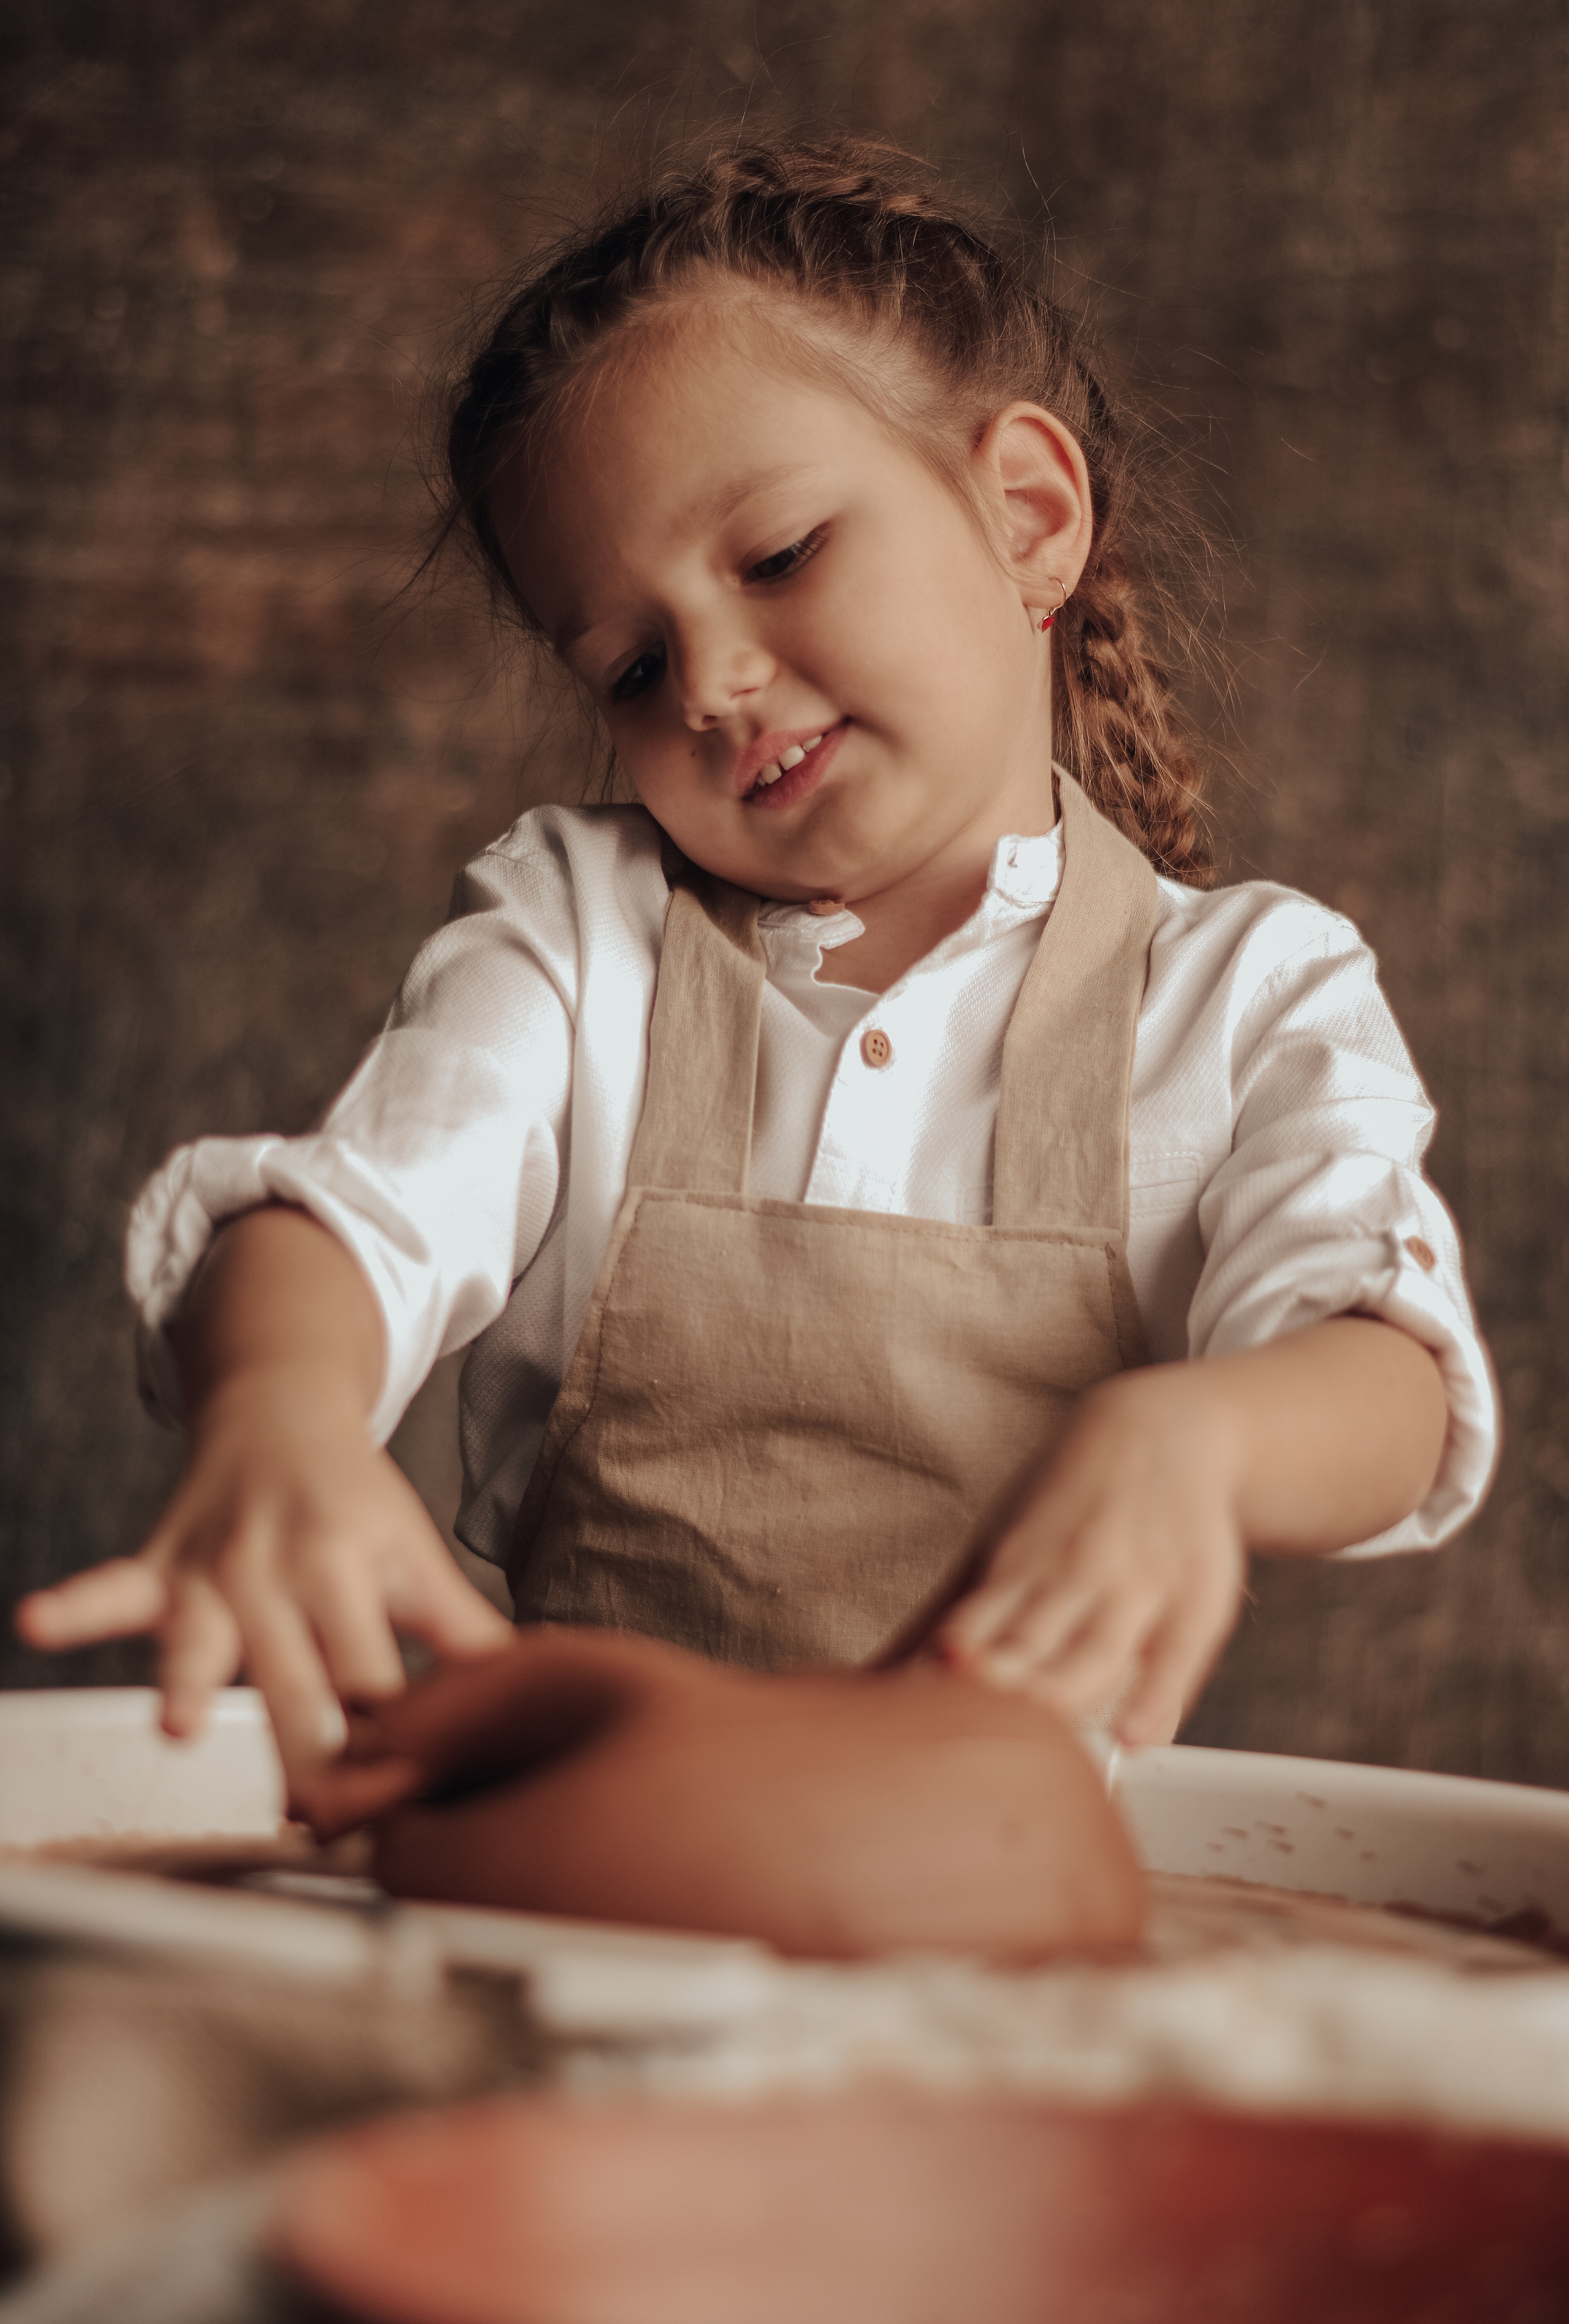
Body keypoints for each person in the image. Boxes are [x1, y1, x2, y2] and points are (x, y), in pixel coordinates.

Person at [18, 140, 1496, 1796]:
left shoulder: (1244, 1000)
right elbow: (343, 1222)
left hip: (997, 1915)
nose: (710, 685)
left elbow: (1391, 1382)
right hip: (576, 1859)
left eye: (779, 555)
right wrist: (281, 1411)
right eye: (631, 664)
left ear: (1028, 518)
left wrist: (1203, 1443)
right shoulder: (581, 938)